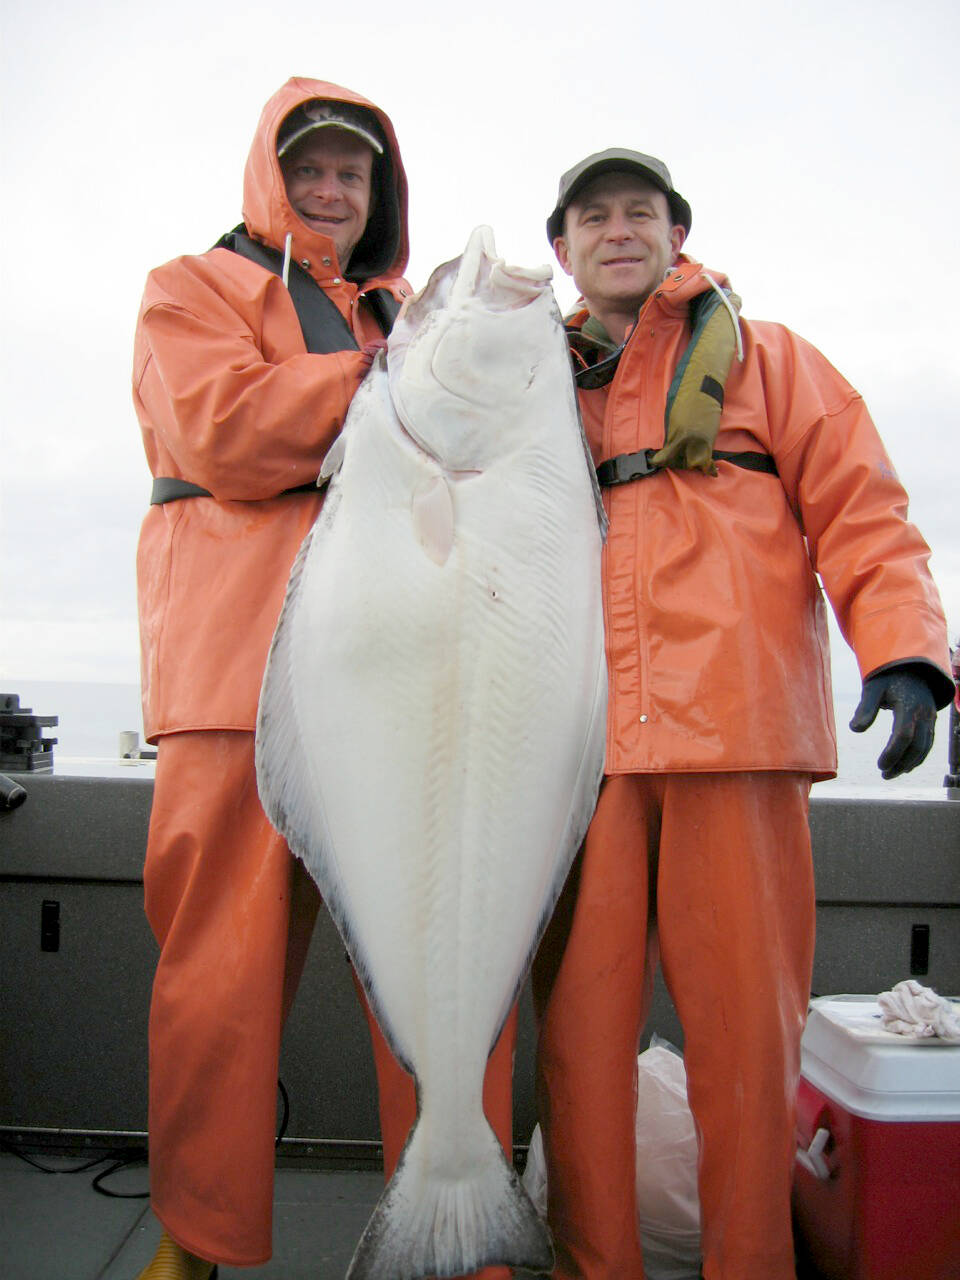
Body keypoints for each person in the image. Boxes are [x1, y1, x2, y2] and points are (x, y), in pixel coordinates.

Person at [531, 148, 954, 1280]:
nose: (621, 229)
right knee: (580, 1048)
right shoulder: (524, 382)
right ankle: (592, 1266)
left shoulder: (780, 365)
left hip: (742, 743)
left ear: (678, 233)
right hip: (580, 763)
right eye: (593, 216)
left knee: (747, 1052)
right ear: (561, 249)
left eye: (643, 212)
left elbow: (868, 517)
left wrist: (908, 652)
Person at [132, 77, 515, 1280]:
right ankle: (195, 1241)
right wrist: (401, 378)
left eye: (355, 172)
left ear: (380, 194)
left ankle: (468, 1243)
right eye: (311, 167)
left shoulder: (407, 317)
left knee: (453, 959)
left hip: (402, 695)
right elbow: (221, 429)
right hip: (229, 679)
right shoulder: (190, 290)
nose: (332, 188)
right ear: (268, 174)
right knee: (217, 980)